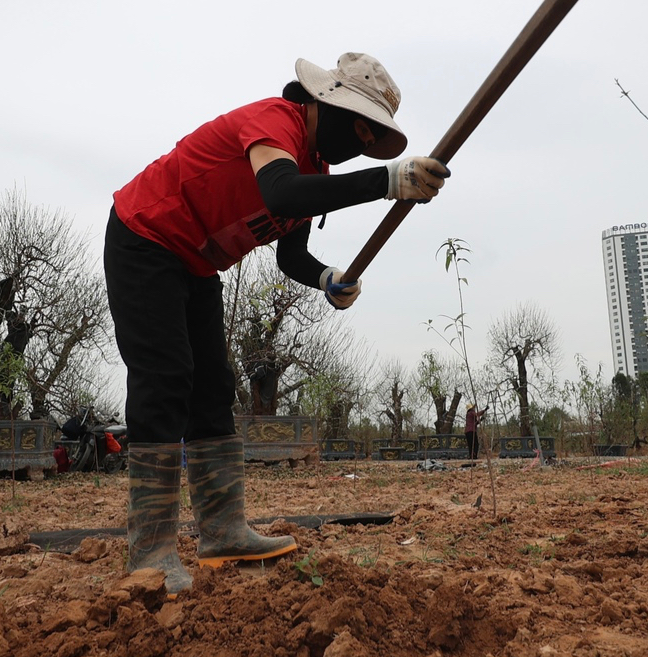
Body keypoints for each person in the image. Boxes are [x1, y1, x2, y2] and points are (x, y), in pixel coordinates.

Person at [107, 53, 451, 594]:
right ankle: (150, 550)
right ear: (326, 104)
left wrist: (326, 278)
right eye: (358, 125)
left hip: (197, 261)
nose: (360, 139)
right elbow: (281, 194)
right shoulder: (275, 121)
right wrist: (387, 181)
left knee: (214, 387)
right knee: (165, 379)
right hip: (146, 236)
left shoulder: (318, 169)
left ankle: (221, 531)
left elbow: (290, 254)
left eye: (371, 135)